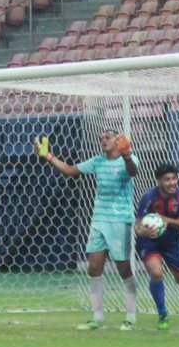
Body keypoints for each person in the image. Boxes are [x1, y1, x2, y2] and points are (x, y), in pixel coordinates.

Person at [37, 128, 141, 330]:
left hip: (120, 220)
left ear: (118, 141)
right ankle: (98, 317)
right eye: (102, 138)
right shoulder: (98, 161)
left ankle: (131, 315)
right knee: (94, 267)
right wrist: (48, 156)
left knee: (123, 268)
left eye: (108, 138)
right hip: (99, 220)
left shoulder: (130, 159)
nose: (103, 140)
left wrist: (127, 155)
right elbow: (69, 170)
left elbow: (133, 172)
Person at [134, 162, 179, 331]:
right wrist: (142, 231)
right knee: (156, 272)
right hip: (150, 242)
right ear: (159, 181)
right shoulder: (148, 197)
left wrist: (166, 220)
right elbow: (138, 225)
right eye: (167, 179)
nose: (172, 182)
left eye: (174, 178)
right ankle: (162, 314)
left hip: (172, 243)